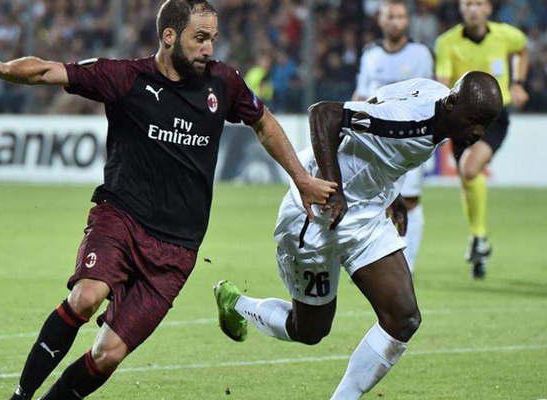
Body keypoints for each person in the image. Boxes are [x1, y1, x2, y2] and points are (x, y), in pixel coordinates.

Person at [0, 1, 337, 399]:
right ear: (169, 36)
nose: (208, 49)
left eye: (213, 39)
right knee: (86, 297)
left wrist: (302, 178)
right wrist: (2, 70)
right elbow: (48, 70)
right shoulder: (125, 78)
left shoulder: (224, 83)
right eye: (200, 38)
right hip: (120, 218)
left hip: (177, 248)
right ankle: (21, 395)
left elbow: (264, 122)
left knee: (106, 355)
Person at [215, 71, 503, 399]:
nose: (478, 132)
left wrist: (388, 193)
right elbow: (324, 113)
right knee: (309, 330)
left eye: (486, 123)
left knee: (403, 319)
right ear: (453, 103)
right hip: (316, 216)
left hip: (365, 216)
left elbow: (376, 114)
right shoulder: (407, 122)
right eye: (474, 120)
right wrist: (334, 186)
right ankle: (236, 303)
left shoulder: (434, 98)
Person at [435, 0, 529, 278]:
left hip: (496, 116)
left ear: (488, 8)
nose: (472, 8)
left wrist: (519, 84)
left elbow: (522, 50)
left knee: (469, 168)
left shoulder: (506, 34)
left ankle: (478, 236)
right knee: (468, 176)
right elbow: (442, 81)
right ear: (461, 9)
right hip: (462, 120)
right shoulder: (446, 42)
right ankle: (479, 239)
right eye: (467, 4)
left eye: (478, 3)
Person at [352, 0, 434, 273]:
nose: (395, 21)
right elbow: (361, 94)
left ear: (407, 21)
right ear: (381, 20)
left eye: (400, 16)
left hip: (408, 141)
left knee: (408, 200)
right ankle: (378, 263)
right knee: (378, 201)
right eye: (390, 16)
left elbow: (432, 96)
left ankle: (407, 266)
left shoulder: (420, 54)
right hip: (373, 142)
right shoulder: (370, 54)